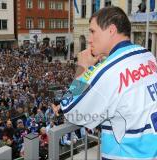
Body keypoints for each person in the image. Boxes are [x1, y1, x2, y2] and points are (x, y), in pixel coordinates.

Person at [55, 6, 157, 159]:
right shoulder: (147, 55)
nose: (89, 39)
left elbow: (69, 109)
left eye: (93, 31)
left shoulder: (109, 70)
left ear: (111, 30)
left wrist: (83, 68)